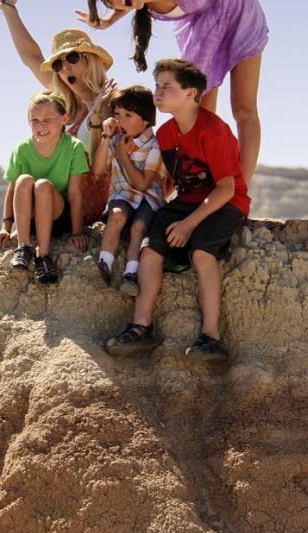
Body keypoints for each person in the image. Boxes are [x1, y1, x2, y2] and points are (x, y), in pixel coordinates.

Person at [105, 59, 249, 361]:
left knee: (202, 252)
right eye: (157, 86)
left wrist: (188, 225)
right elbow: (171, 181)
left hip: (225, 202)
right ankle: (140, 327)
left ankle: (211, 337)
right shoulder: (168, 134)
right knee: (150, 250)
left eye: (167, 87)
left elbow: (227, 188)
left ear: (190, 93)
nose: (158, 92)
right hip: (187, 201)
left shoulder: (214, 131)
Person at [80, 0, 267, 183]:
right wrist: (110, 19)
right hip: (202, 31)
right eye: (116, 4)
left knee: (244, 109)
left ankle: (240, 192)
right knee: (198, 114)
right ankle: (202, 187)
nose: (122, 3)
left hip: (240, 16)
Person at [0, 0, 117, 225]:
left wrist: (98, 112)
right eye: (58, 64)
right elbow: (31, 58)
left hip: (84, 202)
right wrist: (8, 9)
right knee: (25, 177)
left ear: (89, 59)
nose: (65, 67)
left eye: (72, 57)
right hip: (54, 197)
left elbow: (99, 166)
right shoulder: (65, 106)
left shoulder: (111, 103)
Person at [0, 92, 90, 284]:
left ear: (64, 119)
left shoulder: (73, 147)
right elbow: (12, 191)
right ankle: (23, 248)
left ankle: (43, 256)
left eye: (47, 119)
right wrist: (5, 228)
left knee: (42, 185)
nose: (40, 125)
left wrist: (77, 232)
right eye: (34, 120)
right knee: (23, 180)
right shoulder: (22, 149)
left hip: (58, 218)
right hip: (29, 219)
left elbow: (75, 193)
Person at [92, 84, 165, 295]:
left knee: (138, 227)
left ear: (146, 119)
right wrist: (106, 137)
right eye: (117, 114)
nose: (120, 120)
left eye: (128, 115)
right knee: (116, 216)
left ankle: (130, 273)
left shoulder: (154, 146)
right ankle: (104, 264)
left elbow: (143, 184)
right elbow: (97, 170)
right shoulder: (115, 140)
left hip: (148, 199)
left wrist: (123, 156)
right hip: (121, 196)